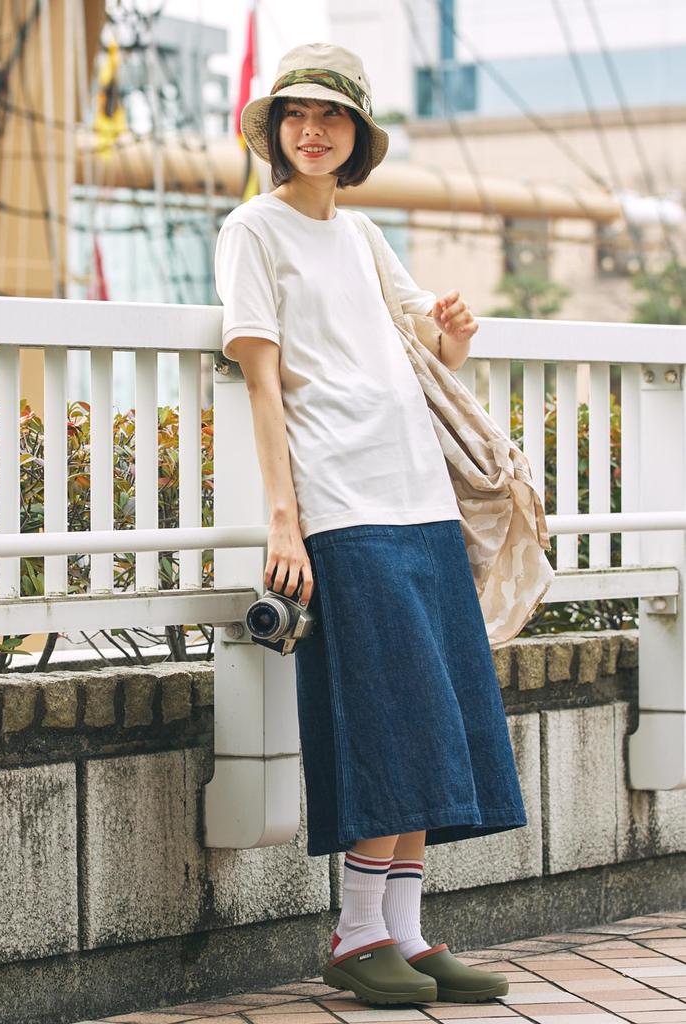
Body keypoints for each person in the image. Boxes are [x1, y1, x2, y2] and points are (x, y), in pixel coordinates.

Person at [213, 42, 526, 1007]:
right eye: (297, 115)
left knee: (435, 716)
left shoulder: (359, 234)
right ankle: (356, 936)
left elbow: (426, 352)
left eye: (332, 117)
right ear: (274, 132)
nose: (312, 132)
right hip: (341, 503)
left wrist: (453, 334)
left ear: (355, 136)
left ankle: (407, 934)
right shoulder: (251, 230)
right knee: (387, 720)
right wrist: (285, 521)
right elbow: (261, 382)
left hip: (420, 493)